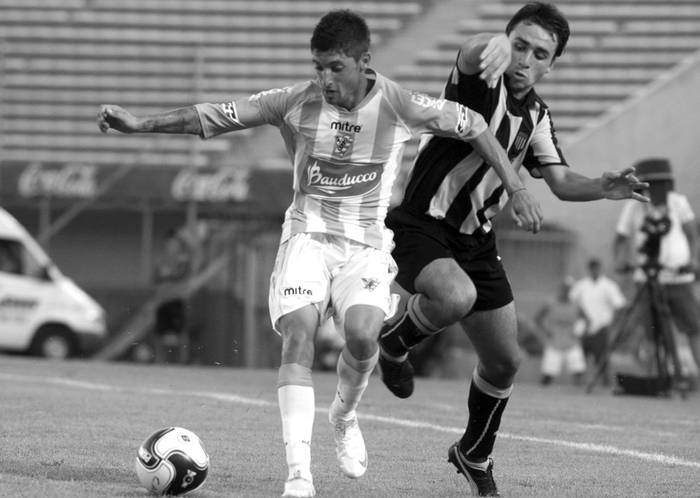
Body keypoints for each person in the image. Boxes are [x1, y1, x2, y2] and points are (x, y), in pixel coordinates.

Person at [97, 10, 545, 498]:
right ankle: (298, 476)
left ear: (363, 62)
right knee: (298, 339)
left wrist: (515, 184)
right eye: (318, 68)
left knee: (361, 336)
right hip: (306, 236)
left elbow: (474, 122)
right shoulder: (293, 101)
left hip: (367, 245)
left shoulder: (397, 103)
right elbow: (213, 116)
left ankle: (344, 416)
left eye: (335, 67)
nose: (325, 79)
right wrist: (139, 125)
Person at [375, 3, 648, 495]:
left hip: (477, 241)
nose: (524, 59)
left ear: (551, 64)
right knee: (455, 298)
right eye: (518, 45)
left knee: (506, 362)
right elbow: (471, 52)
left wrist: (603, 187)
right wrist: (494, 45)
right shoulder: (483, 77)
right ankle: (395, 339)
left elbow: (562, 182)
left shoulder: (538, 115)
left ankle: (473, 451)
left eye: (538, 53)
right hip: (422, 225)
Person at [614, 157, 700, 387]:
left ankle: (689, 378)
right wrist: (621, 261)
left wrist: (693, 260)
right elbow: (620, 239)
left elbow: (692, 235)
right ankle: (656, 380)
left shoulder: (678, 202)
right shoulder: (633, 206)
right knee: (652, 332)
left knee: (694, 327)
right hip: (647, 279)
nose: (655, 189)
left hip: (679, 277)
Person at [569, 258, 626, 386]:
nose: (595, 270)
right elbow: (572, 303)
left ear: (600, 268)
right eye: (592, 268)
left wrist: (613, 325)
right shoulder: (581, 285)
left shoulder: (609, 286)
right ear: (589, 269)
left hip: (601, 328)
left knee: (602, 361)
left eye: (597, 268)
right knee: (579, 360)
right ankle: (577, 386)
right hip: (583, 329)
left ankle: (604, 386)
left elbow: (619, 305)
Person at [534, 277, 587, 386]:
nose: (566, 291)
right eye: (564, 288)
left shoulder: (576, 305)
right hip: (554, 342)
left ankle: (579, 397)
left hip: (571, 342)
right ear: (560, 289)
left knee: (578, 372)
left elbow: (586, 320)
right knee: (548, 373)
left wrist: (579, 331)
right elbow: (537, 318)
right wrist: (546, 331)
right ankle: (542, 396)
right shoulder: (551, 303)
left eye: (568, 289)